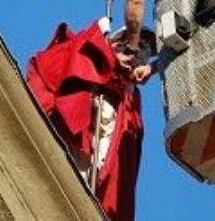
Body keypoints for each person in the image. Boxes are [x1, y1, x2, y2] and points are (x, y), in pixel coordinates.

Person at [25, 19, 155, 221]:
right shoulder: (89, 57)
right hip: (72, 147)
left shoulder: (131, 100)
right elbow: (56, 66)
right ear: (114, 43)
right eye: (129, 44)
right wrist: (96, 36)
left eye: (144, 50)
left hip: (98, 172)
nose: (136, 52)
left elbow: (125, 163)